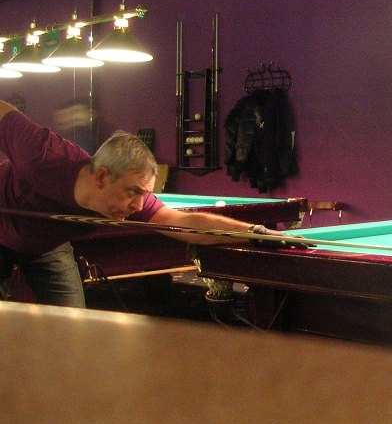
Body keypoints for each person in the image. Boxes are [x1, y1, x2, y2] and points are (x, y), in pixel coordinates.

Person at [0, 100, 296, 308]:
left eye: (144, 194)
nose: (138, 205)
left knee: (73, 329)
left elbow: (182, 222)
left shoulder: (130, 200)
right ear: (102, 177)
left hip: (47, 244)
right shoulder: (43, 154)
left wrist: (254, 232)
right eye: (133, 192)